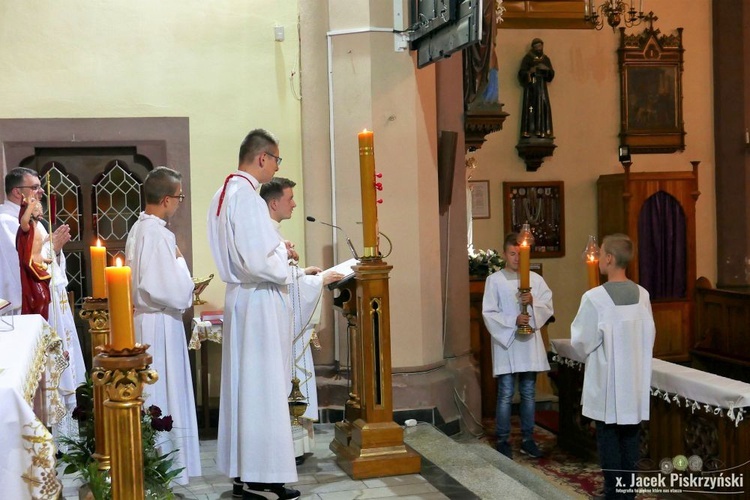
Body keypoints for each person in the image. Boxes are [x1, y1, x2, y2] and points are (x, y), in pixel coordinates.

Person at [207, 129, 300, 500]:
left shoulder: (223, 192)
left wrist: (276, 245)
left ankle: (245, 473)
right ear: (262, 158)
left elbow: (248, 249)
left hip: (241, 298)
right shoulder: (246, 197)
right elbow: (262, 262)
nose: (277, 166)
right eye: (277, 159)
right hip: (258, 299)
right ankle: (264, 476)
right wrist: (283, 255)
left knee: (245, 388)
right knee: (262, 388)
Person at [124, 166, 201, 486]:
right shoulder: (157, 234)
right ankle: (164, 468)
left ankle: (158, 466)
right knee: (163, 392)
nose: (181, 203)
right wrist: (184, 275)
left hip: (148, 320)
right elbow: (168, 288)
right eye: (180, 197)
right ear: (167, 199)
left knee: (158, 392)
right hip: (160, 323)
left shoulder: (139, 229)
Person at [259, 177, 343, 465]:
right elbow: (280, 287)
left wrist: (303, 272)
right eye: (290, 198)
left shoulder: (273, 233)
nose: (294, 203)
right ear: (274, 203)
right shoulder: (266, 235)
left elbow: (283, 279)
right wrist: (320, 280)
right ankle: (289, 449)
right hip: (281, 326)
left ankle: (298, 446)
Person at [570, 234, 655, 500]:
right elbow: (650, 336)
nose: (597, 259)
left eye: (601, 253)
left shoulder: (595, 298)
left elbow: (581, 342)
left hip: (607, 382)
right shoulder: (643, 295)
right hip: (635, 380)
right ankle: (627, 494)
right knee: (631, 437)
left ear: (608, 258)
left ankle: (613, 492)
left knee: (607, 439)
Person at [0, 167, 85, 427]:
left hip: (49, 307)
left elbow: (53, 270)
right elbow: (22, 270)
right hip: (25, 314)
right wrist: (52, 248)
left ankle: (60, 438)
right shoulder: (6, 222)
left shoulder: (31, 222)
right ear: (17, 192)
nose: (40, 192)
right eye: (35, 187)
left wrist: (54, 250)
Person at [482, 232, 553, 460]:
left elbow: (547, 307)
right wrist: (513, 320)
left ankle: (527, 439)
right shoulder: (494, 280)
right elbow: (489, 312)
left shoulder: (536, 280)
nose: (516, 258)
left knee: (529, 393)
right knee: (505, 393)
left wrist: (533, 304)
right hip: (508, 344)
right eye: (512, 254)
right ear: (505, 254)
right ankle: (503, 439)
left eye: (520, 254)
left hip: (528, 343)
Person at [518, 38, 555, 139]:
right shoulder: (528, 58)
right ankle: (530, 130)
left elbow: (551, 75)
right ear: (533, 48)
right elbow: (521, 73)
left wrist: (546, 69)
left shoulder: (545, 59)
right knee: (531, 108)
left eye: (540, 46)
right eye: (536, 47)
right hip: (531, 87)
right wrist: (530, 71)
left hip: (542, 87)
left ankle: (545, 131)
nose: (539, 48)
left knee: (544, 106)